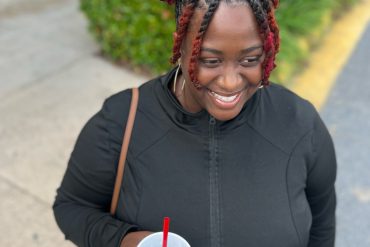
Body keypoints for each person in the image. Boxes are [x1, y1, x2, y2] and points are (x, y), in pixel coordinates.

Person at [53, 0, 337, 246]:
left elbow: (322, 225)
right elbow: (72, 207)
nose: (230, 81)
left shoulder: (300, 124)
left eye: (250, 59)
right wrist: (123, 240)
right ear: (182, 47)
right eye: (210, 61)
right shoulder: (121, 121)